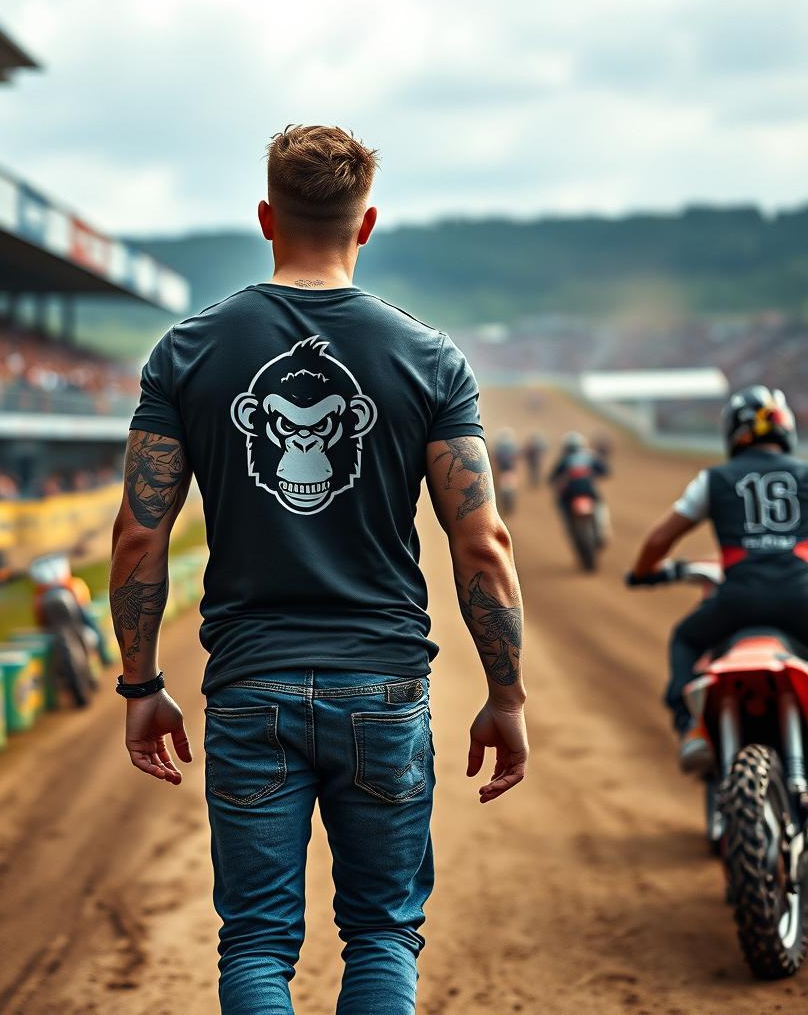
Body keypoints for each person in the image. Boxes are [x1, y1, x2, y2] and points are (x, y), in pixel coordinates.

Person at [108, 125, 528, 1015]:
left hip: (250, 684)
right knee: (381, 933)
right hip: (382, 685)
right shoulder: (430, 357)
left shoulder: (187, 351)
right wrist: (507, 696)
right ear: (366, 224)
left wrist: (141, 684)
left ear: (266, 218)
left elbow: (138, 538)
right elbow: (482, 543)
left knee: (257, 941)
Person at [627, 386, 808, 771]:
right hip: (801, 599)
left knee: (686, 638)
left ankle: (692, 727)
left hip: (738, 600)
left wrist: (644, 572)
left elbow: (660, 538)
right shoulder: (806, 474)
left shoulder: (716, 479)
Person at [548, 431, 610, 541]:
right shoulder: (590, 456)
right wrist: (592, 475)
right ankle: (603, 530)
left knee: (562, 508)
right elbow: (605, 471)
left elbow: (552, 477)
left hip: (569, 495)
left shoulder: (564, 460)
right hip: (589, 491)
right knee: (600, 504)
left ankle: (570, 528)